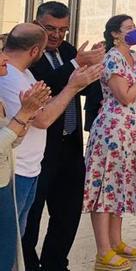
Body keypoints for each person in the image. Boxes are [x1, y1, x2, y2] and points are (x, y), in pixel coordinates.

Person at [0, 24, 101, 241]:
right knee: (9, 240)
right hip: (15, 170)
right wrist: (72, 86)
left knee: (19, 235)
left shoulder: (25, 73)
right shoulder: (9, 77)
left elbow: (44, 107)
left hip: (31, 167)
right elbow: (43, 119)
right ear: (36, 51)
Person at [24, 1, 104, 271]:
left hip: (70, 146)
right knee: (31, 216)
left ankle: (56, 264)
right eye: (51, 28)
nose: (57, 35)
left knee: (68, 214)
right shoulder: (30, 55)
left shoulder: (69, 52)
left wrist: (93, 70)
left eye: (63, 30)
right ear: (37, 25)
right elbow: (45, 85)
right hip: (40, 148)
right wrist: (76, 65)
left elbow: (79, 87)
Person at [83, 15, 136, 271]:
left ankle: (117, 242)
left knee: (119, 186)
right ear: (115, 34)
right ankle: (103, 251)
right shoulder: (112, 58)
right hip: (112, 131)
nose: (134, 31)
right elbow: (125, 96)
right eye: (128, 28)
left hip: (132, 132)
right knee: (105, 188)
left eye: (134, 27)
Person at [1, 46, 52, 271]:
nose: (5, 57)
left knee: (11, 244)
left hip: (5, 179)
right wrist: (24, 114)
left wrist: (25, 117)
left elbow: (11, 140)